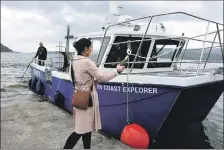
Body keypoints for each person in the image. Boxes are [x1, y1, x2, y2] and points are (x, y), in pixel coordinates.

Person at [63, 38, 125, 149]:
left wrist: (91, 81)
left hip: (78, 97)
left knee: (86, 129)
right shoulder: (87, 62)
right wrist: (117, 71)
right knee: (80, 130)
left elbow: (76, 80)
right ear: (85, 48)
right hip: (88, 100)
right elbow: (102, 77)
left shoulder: (73, 62)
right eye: (90, 47)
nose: (91, 50)